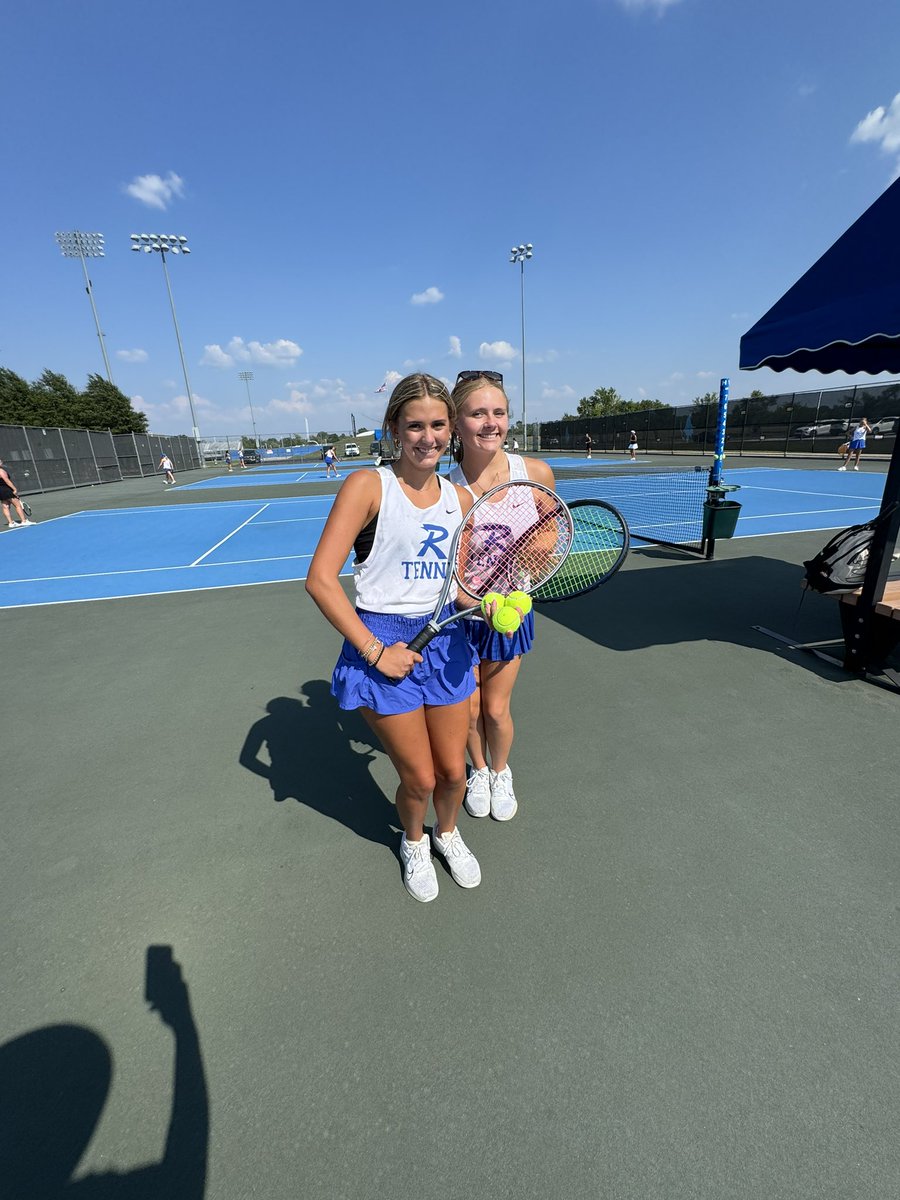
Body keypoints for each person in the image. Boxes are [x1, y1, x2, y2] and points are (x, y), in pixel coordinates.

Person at [306, 373, 481, 903]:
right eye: (415, 426)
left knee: (454, 772)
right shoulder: (367, 486)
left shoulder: (461, 498)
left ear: (451, 429)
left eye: (438, 425)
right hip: (381, 641)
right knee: (421, 778)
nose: (428, 437)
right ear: (394, 429)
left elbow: (463, 587)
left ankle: (447, 834)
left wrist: (482, 605)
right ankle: (412, 841)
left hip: (444, 644)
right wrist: (375, 651)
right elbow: (320, 579)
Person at [448, 369, 556, 823]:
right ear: (457, 423)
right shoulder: (446, 487)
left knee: (495, 709)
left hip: (510, 612)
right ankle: (479, 770)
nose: (490, 422)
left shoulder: (533, 473)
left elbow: (553, 536)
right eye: (478, 413)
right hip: (463, 615)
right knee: (469, 709)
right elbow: (453, 568)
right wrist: (471, 603)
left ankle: (500, 769)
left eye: (499, 412)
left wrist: (527, 555)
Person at [0, 459, 34, 528]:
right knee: (18, 505)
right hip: (6, 490)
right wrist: (14, 489)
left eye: (1, 461)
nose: (1, 462)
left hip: (0, 491)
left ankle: (11, 523)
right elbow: (7, 481)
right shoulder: (1, 471)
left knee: (5, 506)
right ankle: (24, 521)